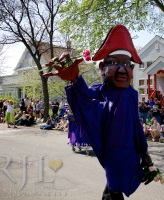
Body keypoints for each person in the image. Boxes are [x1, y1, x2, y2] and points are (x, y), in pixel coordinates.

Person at [44, 24, 155, 199]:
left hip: (130, 153)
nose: (121, 69)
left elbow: (136, 125)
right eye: (114, 63)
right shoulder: (100, 92)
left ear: (132, 69)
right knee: (115, 187)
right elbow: (87, 102)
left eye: (126, 64)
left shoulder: (132, 95)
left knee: (115, 188)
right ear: (102, 67)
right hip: (113, 154)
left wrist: (144, 152)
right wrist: (75, 79)